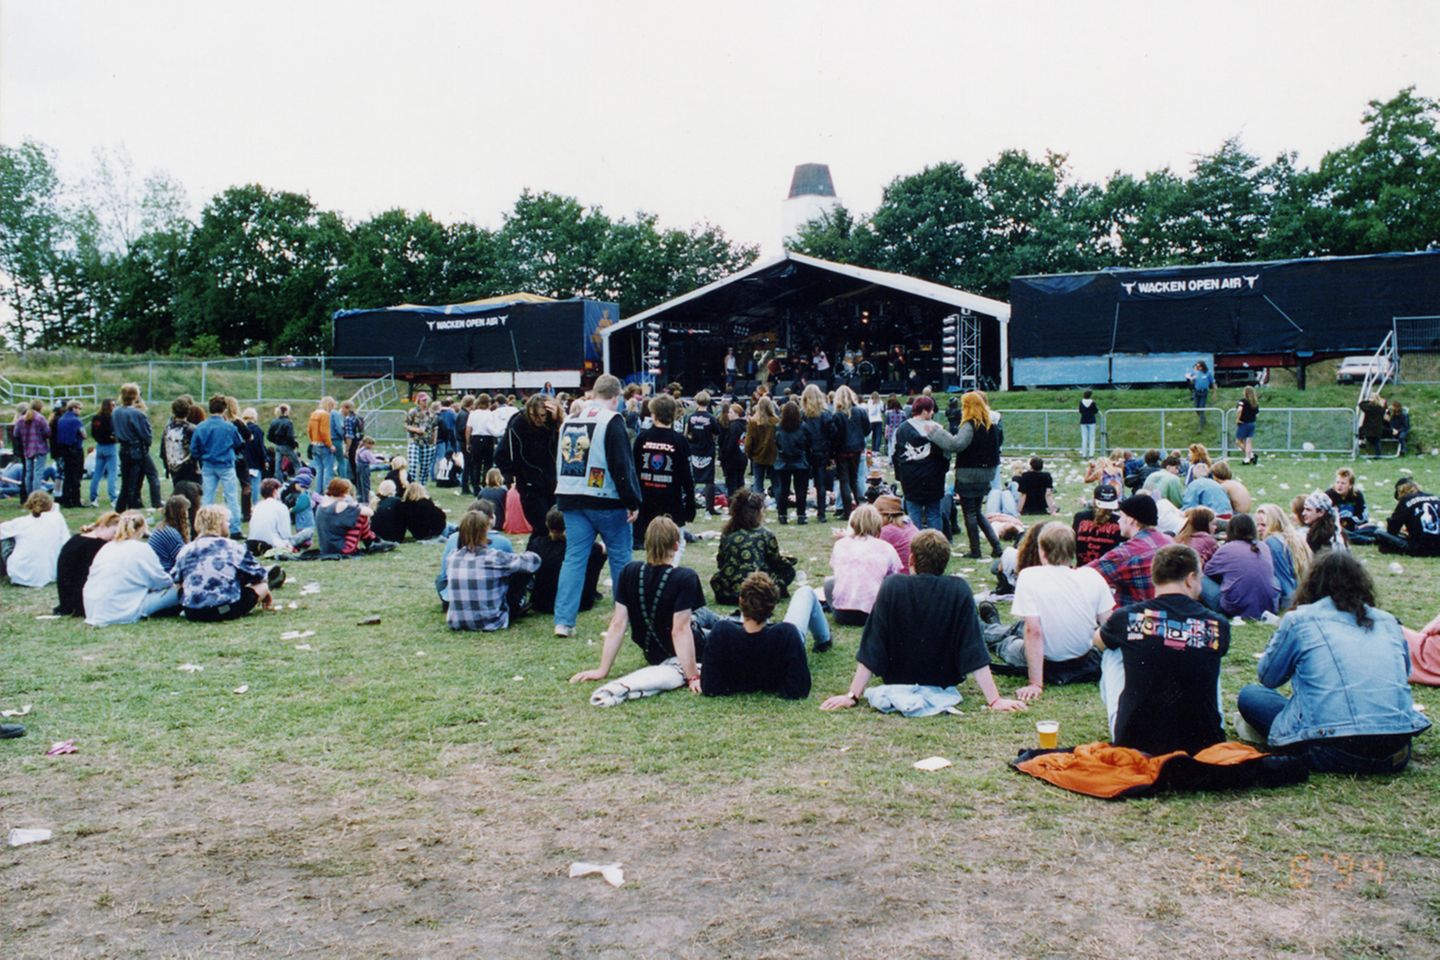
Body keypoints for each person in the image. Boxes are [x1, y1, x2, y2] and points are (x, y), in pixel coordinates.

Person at [1237, 551, 1430, 773]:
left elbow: (1268, 678)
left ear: (1311, 585)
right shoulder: (1388, 621)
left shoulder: (1299, 620)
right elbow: (1404, 673)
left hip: (1331, 751)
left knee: (1251, 695)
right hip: (1397, 751)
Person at [820, 530, 1027, 712]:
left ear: (911, 559)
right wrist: (994, 699)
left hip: (898, 677)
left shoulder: (893, 586)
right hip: (943, 679)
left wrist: (852, 695)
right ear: (945, 561)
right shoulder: (958, 589)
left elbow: (873, 645)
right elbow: (972, 647)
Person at [1094, 544, 1230, 753]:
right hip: (1203, 743)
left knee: (1113, 648)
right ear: (1190, 579)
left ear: (1155, 577)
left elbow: (1098, 641)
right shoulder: (1217, 623)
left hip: (1136, 742)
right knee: (1206, 651)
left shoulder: (1127, 617)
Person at [568, 517, 719, 701]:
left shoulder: (629, 571)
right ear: (676, 546)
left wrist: (602, 670)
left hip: (653, 652)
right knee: (721, 627)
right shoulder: (685, 577)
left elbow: (618, 623)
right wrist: (693, 676)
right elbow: (679, 630)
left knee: (703, 615)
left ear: (647, 544)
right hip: (686, 647)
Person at [553, 374, 643, 639]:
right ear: (616, 397)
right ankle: (624, 617)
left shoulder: (569, 420)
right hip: (605, 498)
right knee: (621, 557)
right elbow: (621, 465)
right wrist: (632, 500)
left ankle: (564, 621)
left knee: (574, 559)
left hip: (571, 496)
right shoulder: (611, 420)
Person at [980, 525, 1114, 700]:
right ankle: (992, 626)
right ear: (1072, 551)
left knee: (1008, 644)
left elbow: (1033, 631)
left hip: (1045, 658)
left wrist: (1035, 683)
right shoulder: (1092, 576)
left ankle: (985, 628)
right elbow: (1109, 625)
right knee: (1019, 627)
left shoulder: (1029, 576)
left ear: (1042, 552)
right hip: (1082, 656)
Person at [701, 572, 828, 699]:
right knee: (805, 592)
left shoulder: (722, 632)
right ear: (773, 606)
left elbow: (710, 687)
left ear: (740, 601)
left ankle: (752, 610)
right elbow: (799, 690)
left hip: (746, 645)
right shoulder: (787, 634)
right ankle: (824, 640)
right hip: (775, 644)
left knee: (750, 618)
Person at [171, 505, 274, 621]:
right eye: (226, 521)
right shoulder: (233, 547)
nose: (229, 525)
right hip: (224, 611)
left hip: (192, 613)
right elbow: (260, 575)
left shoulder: (186, 549)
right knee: (263, 586)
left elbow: (176, 580)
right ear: (218, 524)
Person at [444, 509, 540, 631]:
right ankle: (520, 603)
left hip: (456, 622)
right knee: (521, 571)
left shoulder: (452, 557)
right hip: (492, 622)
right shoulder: (494, 557)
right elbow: (534, 562)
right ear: (485, 531)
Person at [83, 512, 182, 626]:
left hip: (93, 609)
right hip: (120, 609)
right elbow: (161, 581)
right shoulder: (142, 548)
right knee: (178, 591)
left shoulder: (106, 547)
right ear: (141, 530)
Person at [710, 487, 795, 606]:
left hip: (727, 592)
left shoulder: (728, 534)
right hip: (756, 592)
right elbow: (776, 561)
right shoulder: (765, 534)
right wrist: (789, 561)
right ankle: (776, 592)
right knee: (789, 571)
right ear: (758, 512)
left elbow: (721, 562)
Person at [823, 504, 903, 627]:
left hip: (842, 614)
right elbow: (895, 576)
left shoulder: (840, 544)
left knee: (830, 582)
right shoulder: (886, 547)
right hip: (873, 614)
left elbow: (836, 570)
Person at [890, 395, 960, 534]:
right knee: (934, 514)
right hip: (933, 479)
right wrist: (942, 470)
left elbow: (894, 453)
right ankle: (935, 543)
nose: (933, 412)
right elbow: (946, 454)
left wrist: (900, 476)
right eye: (931, 409)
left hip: (910, 480)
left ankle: (916, 543)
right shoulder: (937, 429)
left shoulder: (901, 429)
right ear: (924, 411)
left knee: (913, 515)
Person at [632, 393, 694, 548]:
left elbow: (633, 472)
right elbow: (688, 477)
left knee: (650, 545)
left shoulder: (642, 438)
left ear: (654, 414)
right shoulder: (679, 440)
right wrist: (690, 505)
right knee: (672, 547)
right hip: (670, 501)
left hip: (646, 500)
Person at [1087, 494, 1173, 605]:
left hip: (1139, 612)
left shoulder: (1128, 553)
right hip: (1168, 608)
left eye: (1121, 516)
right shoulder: (1168, 540)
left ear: (1131, 520)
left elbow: (1087, 575)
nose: (1118, 521)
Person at [951, 392, 1004, 557]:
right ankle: (996, 546)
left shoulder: (969, 425)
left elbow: (958, 444)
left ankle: (975, 550)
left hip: (968, 473)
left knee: (970, 513)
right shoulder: (990, 424)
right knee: (978, 511)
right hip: (985, 473)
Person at [497, 394, 561, 532]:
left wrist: (557, 422)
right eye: (533, 415)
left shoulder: (554, 424)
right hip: (529, 482)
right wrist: (510, 475)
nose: (537, 419)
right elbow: (502, 453)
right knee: (541, 527)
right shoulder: (518, 425)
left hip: (553, 481)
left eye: (542, 415)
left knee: (556, 526)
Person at [527, 508, 605, 616]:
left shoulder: (536, 544)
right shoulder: (586, 547)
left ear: (547, 524)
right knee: (598, 554)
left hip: (542, 603)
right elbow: (606, 548)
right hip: (580, 603)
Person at [1201, 514, 1277, 619]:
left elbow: (1207, 571)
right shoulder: (1264, 546)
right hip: (1268, 607)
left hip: (1235, 609)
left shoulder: (1227, 548)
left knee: (1200, 578)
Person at [191, 395, 245, 537]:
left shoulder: (201, 427)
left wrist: (202, 456)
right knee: (231, 497)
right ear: (224, 409)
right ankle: (235, 528)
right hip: (226, 464)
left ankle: (205, 527)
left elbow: (194, 449)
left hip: (208, 464)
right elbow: (239, 443)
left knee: (208, 497)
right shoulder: (229, 427)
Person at [53, 512, 121, 617]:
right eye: (114, 532)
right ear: (102, 527)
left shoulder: (77, 538)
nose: (115, 537)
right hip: (81, 601)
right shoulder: (97, 544)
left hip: (68, 599)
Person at [1, 491, 68, 588]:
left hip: (20, 574)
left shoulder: (21, 522)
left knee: (5, 536)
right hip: (51, 573)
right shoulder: (57, 518)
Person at [314, 478, 394, 557]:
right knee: (361, 516)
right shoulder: (340, 505)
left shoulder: (321, 505)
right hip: (342, 548)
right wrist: (353, 502)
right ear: (343, 493)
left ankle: (371, 540)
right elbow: (370, 512)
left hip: (326, 548)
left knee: (355, 515)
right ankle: (371, 541)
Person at [1255, 503, 1311, 611]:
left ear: (1275, 523)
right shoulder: (1293, 538)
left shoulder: (1272, 542)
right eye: (1257, 525)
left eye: (1263, 525)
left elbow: (1284, 581)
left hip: (1290, 600)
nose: (1259, 529)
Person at [798, 385, 837, 523]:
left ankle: (801, 514)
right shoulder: (826, 414)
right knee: (820, 484)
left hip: (806, 452)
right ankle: (821, 514)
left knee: (802, 484)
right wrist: (831, 454)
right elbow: (833, 434)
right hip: (822, 451)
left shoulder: (802, 415)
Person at [1375, 476, 1440, 556]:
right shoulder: (1435, 497)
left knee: (1379, 532)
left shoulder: (1406, 500)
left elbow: (1392, 529)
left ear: (1400, 492)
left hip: (1420, 549)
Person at [832, 386, 869, 519]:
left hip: (842, 451)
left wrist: (833, 452)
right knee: (854, 479)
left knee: (844, 481)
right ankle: (860, 506)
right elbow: (867, 429)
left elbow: (835, 435)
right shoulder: (861, 411)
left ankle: (847, 511)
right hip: (857, 449)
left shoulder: (837, 415)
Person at [249, 478, 312, 555]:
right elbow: (285, 534)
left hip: (253, 543)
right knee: (309, 531)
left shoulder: (257, 506)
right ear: (275, 491)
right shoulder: (281, 507)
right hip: (274, 544)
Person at [772, 400, 809, 524]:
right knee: (801, 490)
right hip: (799, 461)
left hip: (783, 462)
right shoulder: (803, 426)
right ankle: (801, 515)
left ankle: (782, 515)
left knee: (783, 490)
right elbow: (807, 442)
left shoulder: (778, 427)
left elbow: (776, 442)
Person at [685, 391, 720, 517]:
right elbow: (717, 432)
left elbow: (687, 433)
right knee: (709, 480)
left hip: (694, 449)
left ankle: (690, 503)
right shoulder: (711, 418)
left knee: (692, 478)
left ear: (696, 401)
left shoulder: (691, 417)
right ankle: (709, 508)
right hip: (708, 450)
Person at [1072, 484, 1124, 566]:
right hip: (1107, 570)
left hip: (1082, 568)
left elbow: (1073, 543)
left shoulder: (1079, 517)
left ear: (1093, 500)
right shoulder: (1119, 521)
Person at [1325, 467, 1377, 544]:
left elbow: (1364, 516)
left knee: (1374, 529)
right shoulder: (1328, 495)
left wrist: (1351, 521)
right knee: (1338, 532)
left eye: (1343, 483)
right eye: (1337, 482)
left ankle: (1357, 536)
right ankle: (1367, 540)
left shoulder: (1357, 495)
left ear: (1350, 485)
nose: (1339, 485)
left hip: (1353, 527)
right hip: (1336, 527)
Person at [13, 399, 51, 500]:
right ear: (40, 407)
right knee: (38, 474)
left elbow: (16, 434)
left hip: (27, 449)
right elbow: (47, 432)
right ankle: (37, 497)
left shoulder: (21, 419)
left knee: (28, 474)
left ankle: (29, 496)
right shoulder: (40, 418)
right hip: (40, 448)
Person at [53, 400, 85, 508]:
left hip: (64, 450)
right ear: (74, 408)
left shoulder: (61, 419)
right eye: (79, 408)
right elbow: (84, 434)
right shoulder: (76, 420)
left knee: (67, 475)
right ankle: (76, 500)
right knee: (76, 475)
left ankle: (67, 500)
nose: (80, 411)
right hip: (76, 449)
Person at [87, 398, 119, 507]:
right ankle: (113, 497)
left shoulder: (96, 418)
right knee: (112, 473)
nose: (114, 407)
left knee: (97, 473)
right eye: (113, 405)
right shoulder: (112, 418)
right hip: (110, 446)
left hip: (99, 446)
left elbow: (93, 432)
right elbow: (113, 433)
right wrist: (115, 439)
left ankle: (93, 498)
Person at [744, 396, 779, 497]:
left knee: (758, 483)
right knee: (776, 483)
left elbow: (749, 441)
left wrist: (749, 454)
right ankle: (779, 503)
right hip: (773, 455)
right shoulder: (776, 421)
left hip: (757, 455)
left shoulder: (753, 422)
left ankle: (757, 504)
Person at [148, 494, 193, 572]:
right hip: (162, 572)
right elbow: (184, 560)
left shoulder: (163, 527)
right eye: (186, 511)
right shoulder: (170, 534)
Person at [161, 396, 199, 487]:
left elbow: (163, 449)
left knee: (178, 489)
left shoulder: (167, 428)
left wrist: (166, 466)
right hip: (189, 467)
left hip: (173, 465)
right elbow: (196, 449)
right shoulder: (192, 429)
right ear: (188, 412)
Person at [874, 494, 917, 572]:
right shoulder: (909, 524)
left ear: (886, 515)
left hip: (900, 574)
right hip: (914, 571)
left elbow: (874, 555)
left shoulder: (886, 531)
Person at [404, 392, 438, 485]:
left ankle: (422, 487)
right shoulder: (413, 412)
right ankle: (411, 485)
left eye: (426, 400)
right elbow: (406, 425)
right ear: (418, 401)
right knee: (413, 464)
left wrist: (434, 442)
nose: (425, 402)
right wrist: (416, 429)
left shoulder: (432, 414)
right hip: (414, 440)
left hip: (428, 442)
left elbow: (435, 428)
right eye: (423, 400)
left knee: (425, 467)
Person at [463, 394, 495, 496]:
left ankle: (476, 487)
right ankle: (485, 484)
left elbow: (468, 429)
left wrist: (468, 442)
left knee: (476, 464)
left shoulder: (473, 414)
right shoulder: (491, 414)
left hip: (476, 438)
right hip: (488, 438)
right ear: (488, 403)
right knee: (488, 464)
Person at [1300, 490, 1348, 555]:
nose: (1303, 513)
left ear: (1321, 512)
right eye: (1304, 509)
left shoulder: (1324, 535)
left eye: (1308, 510)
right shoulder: (1332, 528)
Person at [240, 408, 268, 506]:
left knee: (245, 486)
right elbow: (260, 447)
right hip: (255, 462)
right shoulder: (257, 430)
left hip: (243, 462)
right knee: (255, 485)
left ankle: (245, 507)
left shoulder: (240, 429)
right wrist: (264, 460)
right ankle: (255, 505)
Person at [719, 402, 749, 497]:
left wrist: (723, 457)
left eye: (730, 412)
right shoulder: (745, 425)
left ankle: (733, 502)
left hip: (732, 458)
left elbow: (730, 444)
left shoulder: (733, 426)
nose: (728, 414)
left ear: (737, 414)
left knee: (732, 484)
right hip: (742, 456)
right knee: (740, 482)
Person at [307, 397, 336, 491]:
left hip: (315, 444)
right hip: (323, 445)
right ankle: (327, 491)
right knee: (328, 469)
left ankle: (318, 491)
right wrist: (330, 445)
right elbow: (324, 432)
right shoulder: (325, 415)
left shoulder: (314, 413)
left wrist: (312, 441)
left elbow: (309, 430)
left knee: (319, 469)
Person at [266, 403, 297, 480]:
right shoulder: (288, 423)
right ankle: (301, 480)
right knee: (297, 464)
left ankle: (280, 483)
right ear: (286, 412)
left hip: (278, 446)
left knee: (278, 467)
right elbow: (290, 436)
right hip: (287, 446)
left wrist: (276, 441)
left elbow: (269, 436)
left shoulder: (274, 422)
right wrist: (293, 445)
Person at [1234, 385, 1260, 465]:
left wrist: (1237, 419)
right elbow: (1257, 413)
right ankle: (1249, 457)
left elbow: (1239, 410)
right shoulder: (1255, 403)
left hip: (1244, 423)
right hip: (1252, 423)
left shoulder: (1242, 401)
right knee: (1248, 441)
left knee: (1238, 441)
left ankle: (1250, 456)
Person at [1357, 391, 1386, 457]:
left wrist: (1368, 400)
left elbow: (1361, 404)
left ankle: (1363, 444)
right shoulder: (1381, 408)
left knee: (1362, 432)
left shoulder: (1370, 408)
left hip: (1369, 427)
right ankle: (1378, 455)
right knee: (1377, 441)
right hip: (1378, 427)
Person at [1185, 360, 1213, 428]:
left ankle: (1201, 424)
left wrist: (1214, 393)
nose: (1198, 367)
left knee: (1201, 407)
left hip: (1204, 392)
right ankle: (1203, 418)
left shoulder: (1208, 373)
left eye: (1199, 366)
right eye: (1197, 366)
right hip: (1196, 391)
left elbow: (1212, 382)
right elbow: (1187, 375)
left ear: (1203, 366)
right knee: (1196, 407)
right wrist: (1190, 378)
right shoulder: (1195, 372)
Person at [1076, 390, 1099, 457]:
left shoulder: (1081, 402)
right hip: (1091, 421)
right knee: (1092, 438)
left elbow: (1080, 411)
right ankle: (1091, 454)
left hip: (1083, 421)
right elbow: (1096, 410)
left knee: (1084, 438)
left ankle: (1084, 454)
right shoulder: (1092, 402)